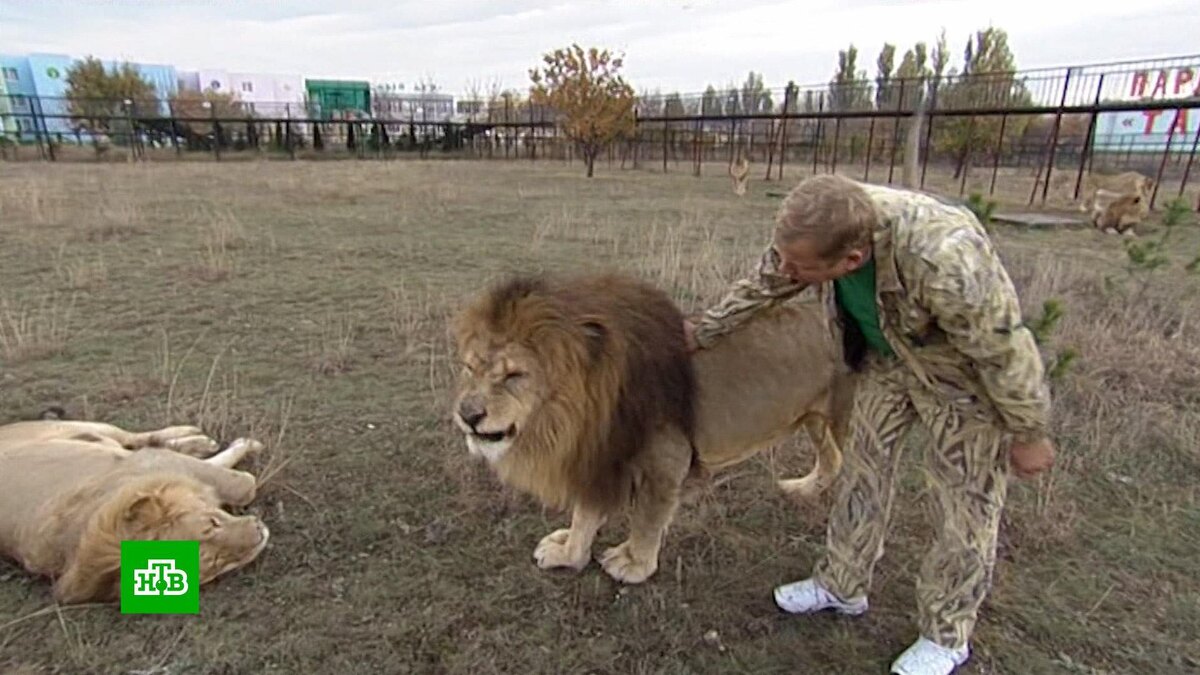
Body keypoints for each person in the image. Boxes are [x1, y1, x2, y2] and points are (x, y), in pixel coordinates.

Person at [685, 173, 1055, 675]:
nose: (787, 271)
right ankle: (842, 585)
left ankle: (946, 636)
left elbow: (1003, 347)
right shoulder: (818, 229)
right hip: (886, 362)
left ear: (851, 261)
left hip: (960, 379)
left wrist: (1029, 430)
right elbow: (766, 282)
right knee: (862, 472)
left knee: (964, 505)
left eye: (801, 267)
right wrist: (703, 331)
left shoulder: (944, 259)